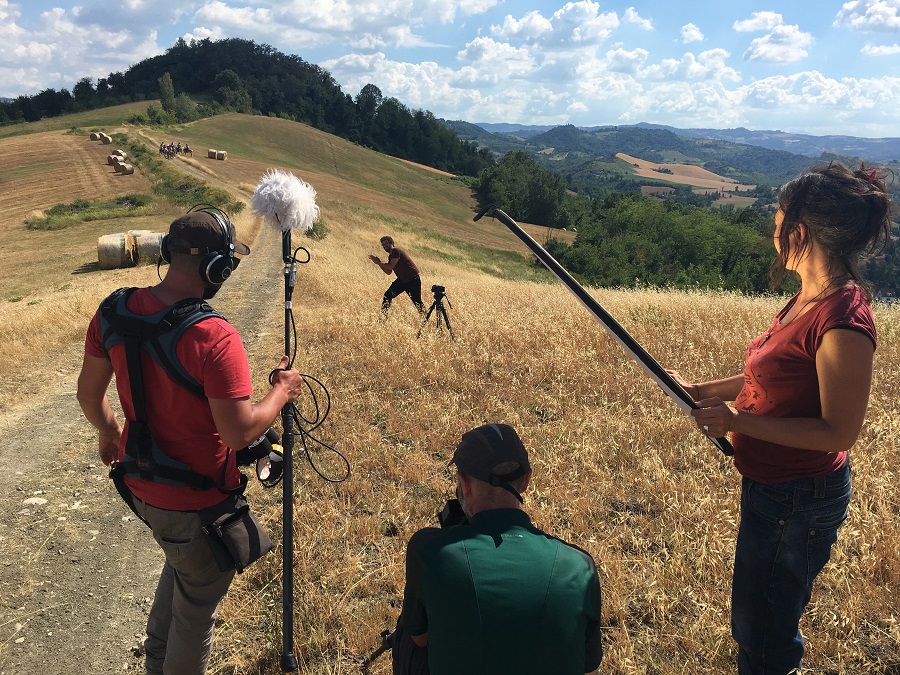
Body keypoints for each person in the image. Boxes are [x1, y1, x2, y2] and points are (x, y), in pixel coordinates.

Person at [669, 162, 893, 675]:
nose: (772, 230)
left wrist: (737, 423)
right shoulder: (808, 299)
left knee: (765, 632)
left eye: (777, 221)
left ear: (800, 232)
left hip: (799, 498)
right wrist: (701, 391)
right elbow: (769, 377)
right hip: (775, 489)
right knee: (757, 619)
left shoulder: (843, 321)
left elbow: (840, 432)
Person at [76, 209, 304, 674]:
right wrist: (282, 391)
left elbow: (87, 393)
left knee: (185, 565)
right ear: (219, 269)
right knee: (196, 609)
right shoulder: (214, 337)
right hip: (196, 501)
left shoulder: (113, 309)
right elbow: (239, 432)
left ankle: (156, 659)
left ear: (166, 253)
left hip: (140, 487)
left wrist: (111, 433)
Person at [395, 423, 603, 675]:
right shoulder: (579, 565)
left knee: (409, 625)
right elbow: (589, 666)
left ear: (464, 483)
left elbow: (420, 639)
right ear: (526, 481)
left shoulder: (429, 550)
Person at [369, 235, 425, 317]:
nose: (385, 246)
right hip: (402, 281)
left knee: (417, 302)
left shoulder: (396, 251)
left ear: (391, 243)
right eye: (383, 245)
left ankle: (426, 319)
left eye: (386, 244)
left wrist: (378, 262)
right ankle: (382, 319)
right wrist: (379, 263)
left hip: (412, 280)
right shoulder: (391, 256)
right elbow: (388, 272)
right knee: (387, 295)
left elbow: (390, 266)